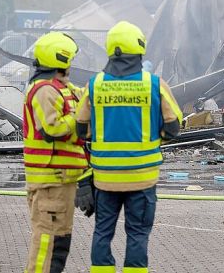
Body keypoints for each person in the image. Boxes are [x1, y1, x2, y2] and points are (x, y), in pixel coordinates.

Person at [76, 21, 182, 273]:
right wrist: (154, 142)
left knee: (102, 232)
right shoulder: (154, 84)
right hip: (141, 178)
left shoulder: (95, 85)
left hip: (105, 179)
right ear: (140, 47)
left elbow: (81, 129)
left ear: (110, 49)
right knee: (137, 234)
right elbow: (173, 125)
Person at [22, 32, 88, 273]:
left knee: (59, 243)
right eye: (70, 59)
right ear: (61, 59)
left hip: (62, 180)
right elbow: (52, 128)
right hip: (49, 181)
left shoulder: (63, 88)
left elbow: (86, 96)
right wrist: (78, 118)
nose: (72, 65)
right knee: (47, 244)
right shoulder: (45, 90)